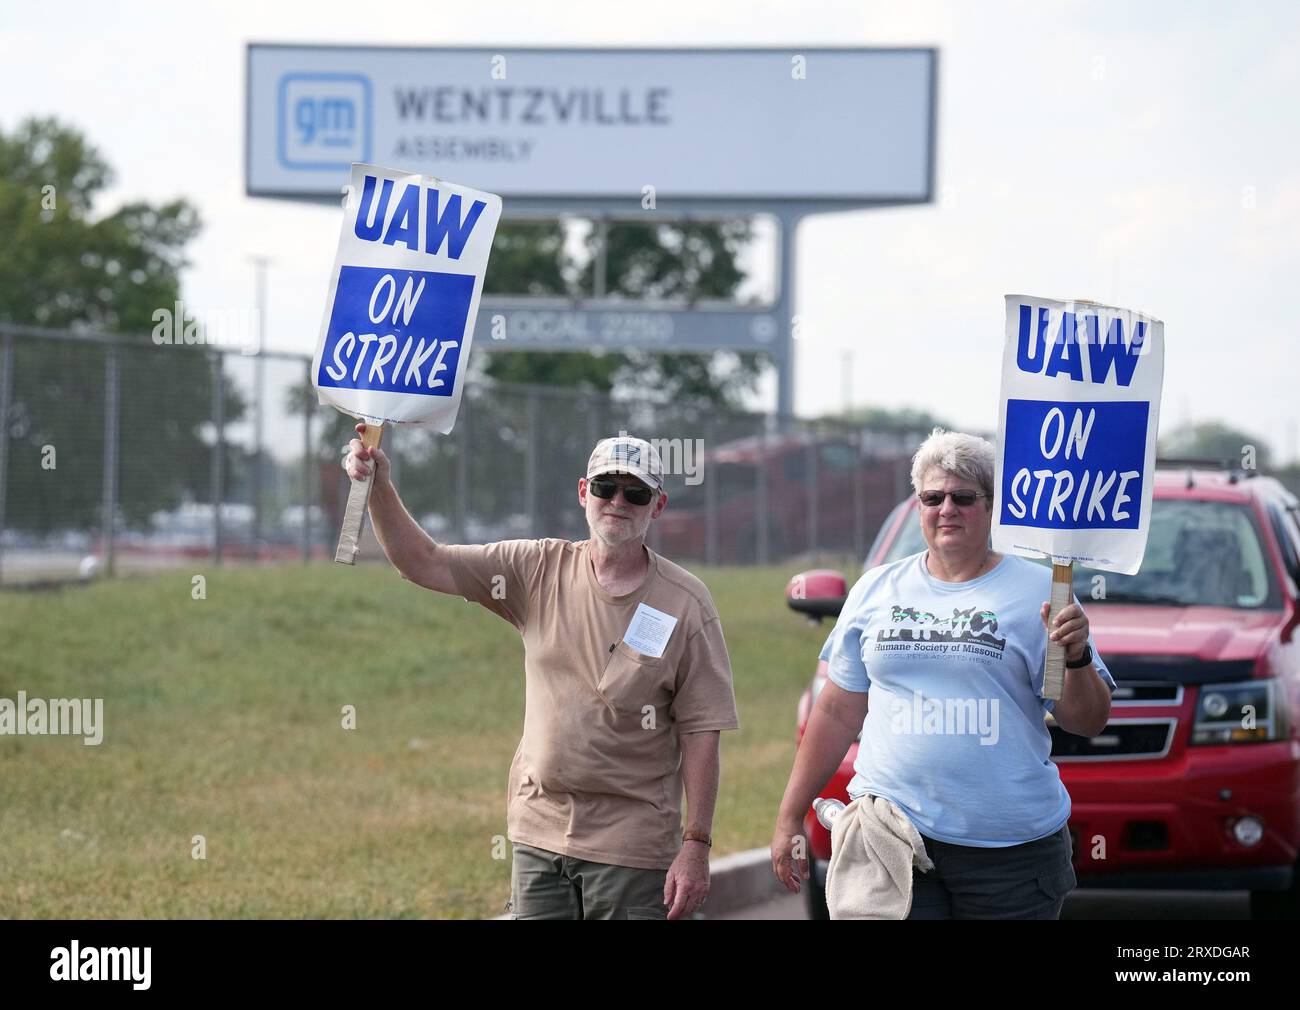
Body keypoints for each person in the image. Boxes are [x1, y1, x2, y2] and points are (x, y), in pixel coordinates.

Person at [344, 427, 739, 920]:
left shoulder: (686, 602)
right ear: (582, 493)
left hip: (632, 848)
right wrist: (379, 482)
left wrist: (696, 844)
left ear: (657, 506)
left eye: (635, 492)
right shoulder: (536, 569)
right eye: (604, 487)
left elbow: (703, 730)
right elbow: (423, 562)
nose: (618, 501)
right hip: (538, 831)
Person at [770, 428, 1115, 919]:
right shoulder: (877, 590)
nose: (946, 509)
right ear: (918, 506)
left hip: (1011, 854)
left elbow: (1088, 721)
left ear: (994, 506)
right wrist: (789, 816)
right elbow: (836, 711)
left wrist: (1076, 656)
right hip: (893, 840)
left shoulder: (1041, 593)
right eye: (933, 497)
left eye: (964, 497)